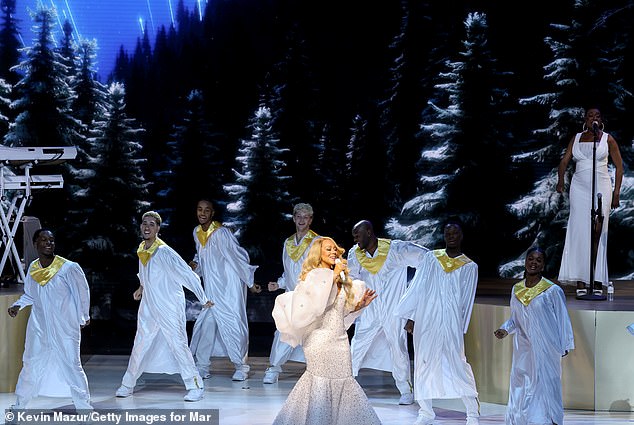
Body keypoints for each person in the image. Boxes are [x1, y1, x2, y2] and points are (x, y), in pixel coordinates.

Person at [271, 237, 381, 425]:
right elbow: (317, 308)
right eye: (328, 249)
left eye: (335, 249)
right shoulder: (313, 278)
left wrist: (358, 306)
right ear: (318, 254)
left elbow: (339, 312)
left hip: (340, 340)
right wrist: (333, 277)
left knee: (345, 380)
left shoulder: (342, 280)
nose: (333, 252)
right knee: (319, 384)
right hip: (319, 340)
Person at [115, 211, 213, 402]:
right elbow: (144, 271)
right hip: (150, 305)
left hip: (168, 305)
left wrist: (203, 297)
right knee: (140, 343)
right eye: (144, 223)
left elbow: (187, 274)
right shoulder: (143, 248)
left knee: (178, 344)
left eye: (152, 224)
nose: (147, 227)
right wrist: (141, 287)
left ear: (158, 229)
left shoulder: (164, 252)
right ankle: (128, 384)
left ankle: (195, 385)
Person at [395, 220, 480, 425]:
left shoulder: (469, 266)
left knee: (458, 364)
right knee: (424, 363)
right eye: (447, 233)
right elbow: (418, 287)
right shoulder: (432, 259)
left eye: (455, 232)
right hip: (427, 318)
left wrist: (461, 327)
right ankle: (425, 412)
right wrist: (411, 317)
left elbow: (467, 300)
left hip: (451, 322)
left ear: (461, 235)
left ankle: (473, 414)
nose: (451, 236)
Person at [7, 229, 92, 411]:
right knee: (30, 364)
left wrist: (83, 316)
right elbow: (30, 295)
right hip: (39, 328)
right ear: (35, 243)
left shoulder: (68, 268)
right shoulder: (33, 268)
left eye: (51, 240)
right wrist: (17, 305)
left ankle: (84, 408)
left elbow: (82, 293)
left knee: (72, 366)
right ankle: (19, 406)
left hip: (65, 327)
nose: (48, 243)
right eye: (44, 240)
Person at [347, 219, 428, 405]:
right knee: (357, 346)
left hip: (393, 310)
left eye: (357, 235)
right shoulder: (355, 254)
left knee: (398, 348)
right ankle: (345, 385)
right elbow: (351, 277)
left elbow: (426, 258)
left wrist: (413, 292)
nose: (355, 239)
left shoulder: (396, 250)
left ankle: (405, 390)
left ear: (368, 232)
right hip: (370, 309)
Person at [494, 247, 575, 425]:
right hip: (523, 346)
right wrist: (505, 329)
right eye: (531, 259)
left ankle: (549, 419)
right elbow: (515, 319)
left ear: (543, 265)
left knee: (548, 382)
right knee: (522, 382)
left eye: (538, 260)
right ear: (525, 261)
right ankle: (524, 419)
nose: (534, 263)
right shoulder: (517, 289)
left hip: (548, 346)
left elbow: (563, 318)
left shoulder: (552, 290)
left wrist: (565, 343)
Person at [188, 199, 259, 382]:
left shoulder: (221, 234)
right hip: (211, 288)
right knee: (207, 324)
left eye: (207, 210)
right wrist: (195, 265)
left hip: (228, 288)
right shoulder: (197, 232)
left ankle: (241, 367)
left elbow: (237, 257)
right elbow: (202, 257)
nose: (202, 213)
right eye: (199, 209)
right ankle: (202, 366)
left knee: (233, 324)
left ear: (212, 213)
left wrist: (249, 282)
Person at [556, 106, 624, 295]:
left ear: (601, 119)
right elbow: (564, 161)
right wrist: (560, 180)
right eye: (590, 116)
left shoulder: (607, 139)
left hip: (601, 185)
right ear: (585, 120)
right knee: (580, 231)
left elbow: (619, 167)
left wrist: (616, 192)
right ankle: (580, 281)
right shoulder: (576, 138)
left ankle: (595, 278)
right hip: (579, 188)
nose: (593, 118)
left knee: (597, 232)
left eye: (597, 115)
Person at [264, 202, 319, 384]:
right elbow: (288, 272)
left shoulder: (317, 242)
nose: (302, 220)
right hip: (291, 296)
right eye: (299, 216)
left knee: (312, 336)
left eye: (306, 216)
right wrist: (278, 284)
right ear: (294, 218)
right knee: (284, 331)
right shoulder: (288, 242)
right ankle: (274, 368)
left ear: (310, 220)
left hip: (310, 298)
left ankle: (317, 371)